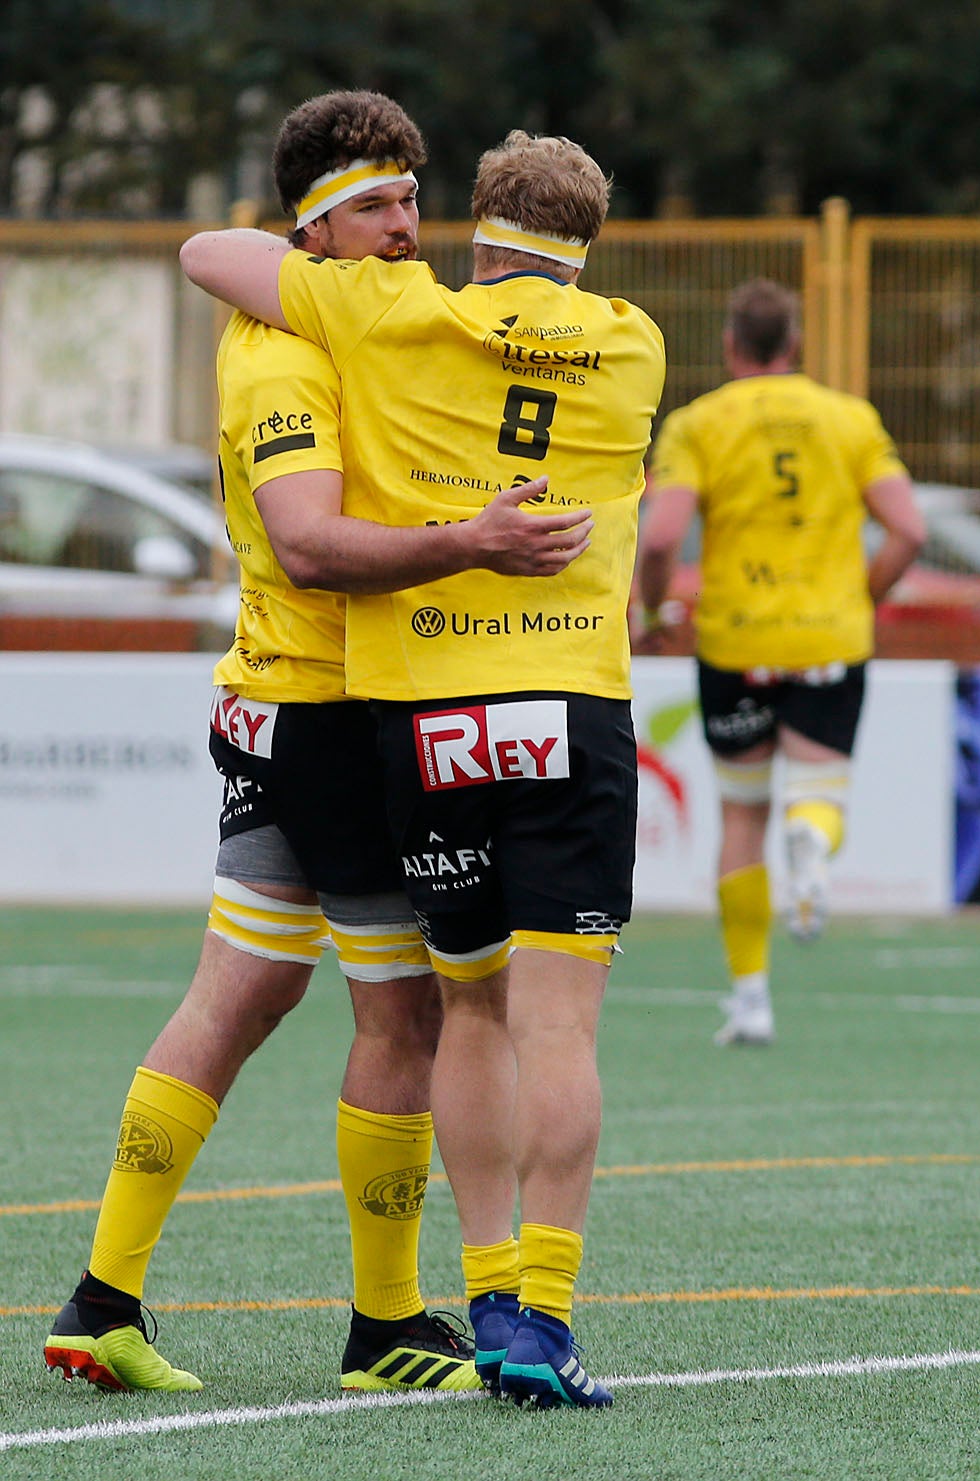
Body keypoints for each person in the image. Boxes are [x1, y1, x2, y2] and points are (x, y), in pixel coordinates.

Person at [44, 91, 581, 1400]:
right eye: (377, 209)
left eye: (412, 200)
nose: (409, 228)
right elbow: (309, 543)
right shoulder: (286, 352)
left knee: (238, 996)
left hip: (279, 706)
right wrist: (474, 544)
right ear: (314, 229)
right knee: (409, 1013)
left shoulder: (336, 314)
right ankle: (389, 1326)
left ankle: (102, 1294)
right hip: (337, 717)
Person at [181, 128, 667, 1407]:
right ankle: (541, 1319)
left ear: (475, 231)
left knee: (466, 1009)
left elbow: (204, 252)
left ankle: (486, 1279)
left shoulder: (394, 312)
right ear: (585, 243)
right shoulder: (634, 343)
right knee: (558, 1019)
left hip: (431, 716)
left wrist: (319, 250)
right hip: (570, 703)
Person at [634, 279, 925, 1047]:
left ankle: (752, 996)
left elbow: (660, 538)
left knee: (739, 815)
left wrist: (654, 610)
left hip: (736, 642)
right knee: (819, 791)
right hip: (829, 638)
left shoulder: (699, 425)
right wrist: (861, 595)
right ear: (794, 345)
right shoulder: (850, 418)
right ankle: (813, 842)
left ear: (732, 346)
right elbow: (909, 528)